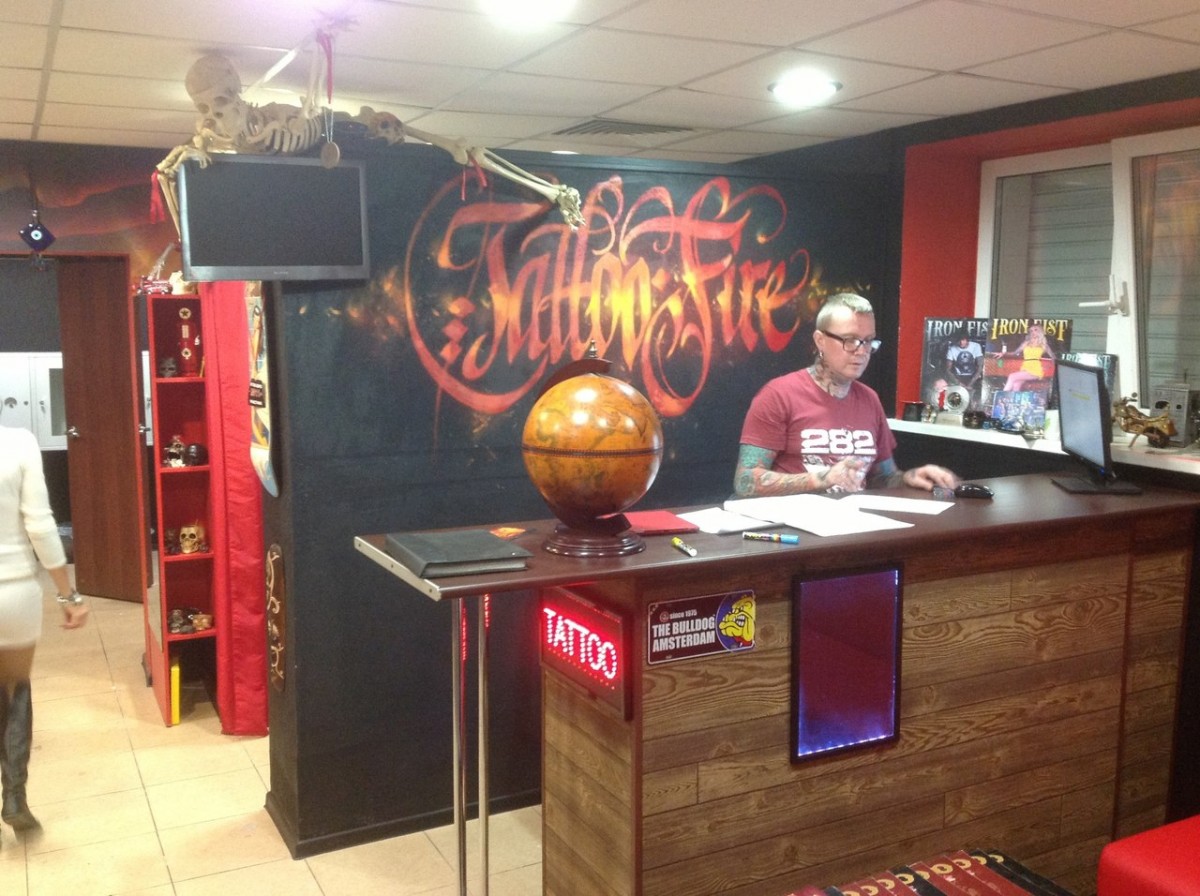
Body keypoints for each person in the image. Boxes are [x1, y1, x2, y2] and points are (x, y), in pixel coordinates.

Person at [734, 293, 959, 497]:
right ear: (820, 341)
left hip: (855, 521)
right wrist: (821, 479)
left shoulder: (869, 399)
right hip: (794, 523)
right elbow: (745, 481)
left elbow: (883, 477)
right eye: (849, 340)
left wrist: (910, 478)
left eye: (868, 341)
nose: (861, 351)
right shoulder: (778, 395)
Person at [0, 424, 89, 840]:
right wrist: (68, 595)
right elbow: (39, 524)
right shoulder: (18, 443)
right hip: (13, 593)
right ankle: (14, 795)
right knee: (15, 690)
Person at [994, 323, 1055, 392]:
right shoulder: (1026, 343)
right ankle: (1012, 399)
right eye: (1031, 331)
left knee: (1012, 376)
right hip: (1025, 367)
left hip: (1035, 369)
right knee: (1016, 384)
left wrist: (1049, 368)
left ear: (1040, 331)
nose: (1033, 332)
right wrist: (1003, 354)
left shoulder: (1043, 345)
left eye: (1035, 330)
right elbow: (1015, 353)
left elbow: (1053, 357)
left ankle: (1001, 396)